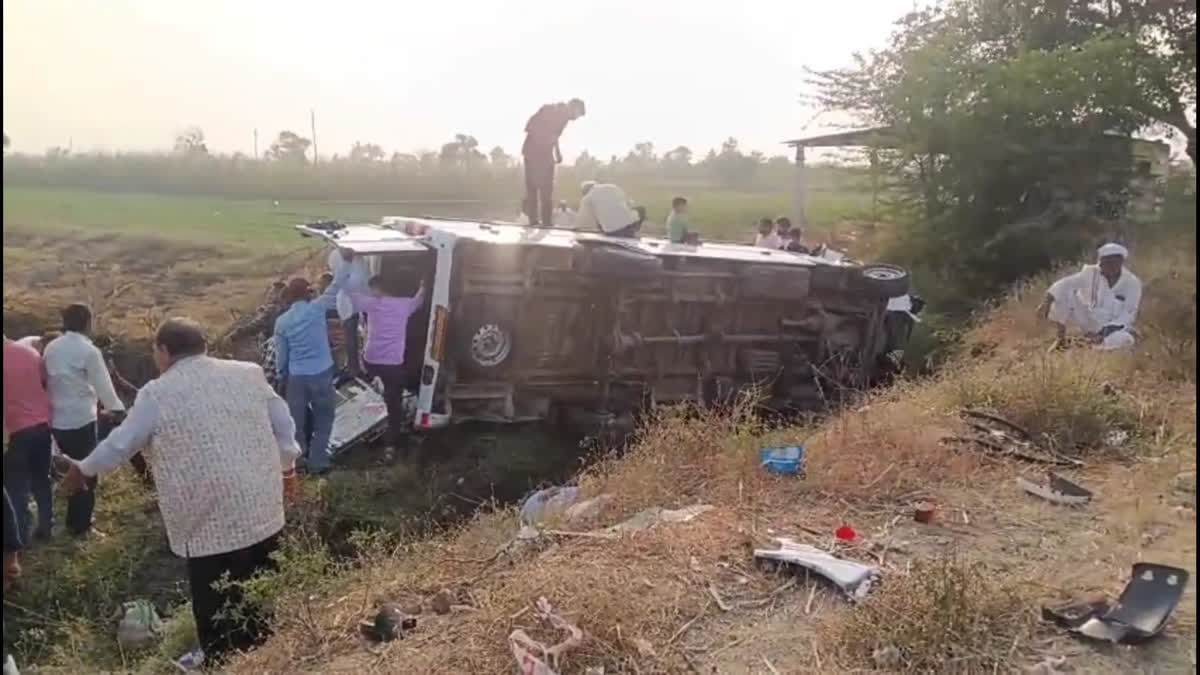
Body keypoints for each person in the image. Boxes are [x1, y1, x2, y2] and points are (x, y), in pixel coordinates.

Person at [59, 318, 301, 671]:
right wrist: (287, 467)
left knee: (216, 609)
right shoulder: (248, 373)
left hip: (207, 520)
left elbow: (121, 444)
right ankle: (271, 657)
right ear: (203, 345)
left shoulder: (157, 393)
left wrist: (83, 469)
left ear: (164, 351)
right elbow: (284, 424)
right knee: (261, 593)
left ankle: (224, 663)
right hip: (261, 504)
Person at [42, 304, 125, 537]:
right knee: (86, 469)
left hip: (56, 419)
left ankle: (66, 519)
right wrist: (117, 410)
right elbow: (103, 385)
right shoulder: (88, 351)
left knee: (66, 468)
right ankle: (81, 525)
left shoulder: (52, 347)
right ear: (87, 323)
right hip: (81, 419)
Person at [344, 274, 428, 458]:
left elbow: (350, 295)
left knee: (371, 393)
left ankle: (364, 427)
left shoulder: (371, 303)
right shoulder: (403, 305)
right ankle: (391, 442)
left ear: (379, 289)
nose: (371, 292)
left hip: (371, 361)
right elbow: (419, 300)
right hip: (393, 364)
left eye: (372, 289)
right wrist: (423, 285)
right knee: (394, 403)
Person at [273, 271, 347, 475]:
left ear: (288, 295)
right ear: (308, 293)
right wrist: (347, 263)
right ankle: (318, 460)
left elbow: (282, 356)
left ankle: (300, 462)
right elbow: (336, 286)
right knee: (324, 418)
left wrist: (282, 376)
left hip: (296, 377)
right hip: (322, 372)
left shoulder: (282, 322)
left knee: (296, 421)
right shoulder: (317, 308)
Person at [1037, 242, 1142, 351]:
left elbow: (1128, 314)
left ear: (1118, 262)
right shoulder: (1091, 272)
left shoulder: (1132, 282)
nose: (1100, 266)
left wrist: (1103, 333)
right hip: (1088, 319)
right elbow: (1064, 284)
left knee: (1126, 339)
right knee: (1065, 294)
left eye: (1105, 263)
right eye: (1101, 262)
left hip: (1112, 327)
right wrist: (1046, 302)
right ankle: (1061, 340)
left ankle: (1088, 346)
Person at [3, 335, 54, 542]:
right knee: (42, 480)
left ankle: (20, 537)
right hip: (43, 426)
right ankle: (46, 528)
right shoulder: (31, 353)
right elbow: (45, 384)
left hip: (17, 431)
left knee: (16, 486)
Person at [521, 98, 586, 226]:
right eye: (577, 115)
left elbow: (555, 135)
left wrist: (557, 151)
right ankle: (533, 220)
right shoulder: (551, 110)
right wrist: (543, 141)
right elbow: (530, 127)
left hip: (545, 154)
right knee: (533, 187)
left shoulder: (564, 118)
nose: (576, 119)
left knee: (547, 188)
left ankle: (546, 221)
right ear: (573, 107)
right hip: (533, 152)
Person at [327, 248, 369, 377]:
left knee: (354, 336)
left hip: (355, 301)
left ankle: (355, 367)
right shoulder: (357, 258)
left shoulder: (338, 256)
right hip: (355, 301)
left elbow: (343, 282)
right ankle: (355, 367)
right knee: (352, 337)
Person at [576, 181, 643, 238]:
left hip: (612, 232)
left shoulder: (586, 198)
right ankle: (635, 230)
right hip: (631, 225)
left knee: (598, 218)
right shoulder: (612, 186)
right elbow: (629, 203)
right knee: (640, 209)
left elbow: (583, 220)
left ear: (584, 191)